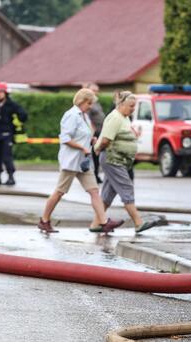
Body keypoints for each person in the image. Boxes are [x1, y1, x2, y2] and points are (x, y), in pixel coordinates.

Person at [38, 88, 123, 234]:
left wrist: (90, 140)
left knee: (94, 191)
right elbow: (65, 138)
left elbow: (81, 134)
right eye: (89, 103)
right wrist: (82, 148)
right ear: (81, 101)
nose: (90, 106)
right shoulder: (71, 115)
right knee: (59, 192)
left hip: (83, 162)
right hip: (71, 161)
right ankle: (44, 220)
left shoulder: (84, 116)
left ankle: (104, 222)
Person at [95, 91, 160, 233]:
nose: (133, 109)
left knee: (108, 193)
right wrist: (98, 148)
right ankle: (138, 223)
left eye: (134, 106)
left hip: (118, 159)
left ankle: (96, 224)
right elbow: (106, 139)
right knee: (126, 188)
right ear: (121, 104)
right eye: (131, 106)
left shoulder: (124, 117)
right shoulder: (115, 118)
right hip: (113, 159)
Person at [0, 82, 27, 186]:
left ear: (6, 93)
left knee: (7, 157)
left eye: (1, 92)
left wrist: (16, 125)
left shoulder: (12, 105)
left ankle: (11, 177)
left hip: (7, 135)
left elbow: (23, 116)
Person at [86, 82, 105, 184]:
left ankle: (95, 174)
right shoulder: (88, 103)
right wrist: (91, 133)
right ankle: (92, 175)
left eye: (97, 91)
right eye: (93, 90)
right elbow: (87, 119)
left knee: (97, 155)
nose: (95, 93)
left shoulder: (96, 102)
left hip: (100, 132)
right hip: (94, 133)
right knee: (93, 155)